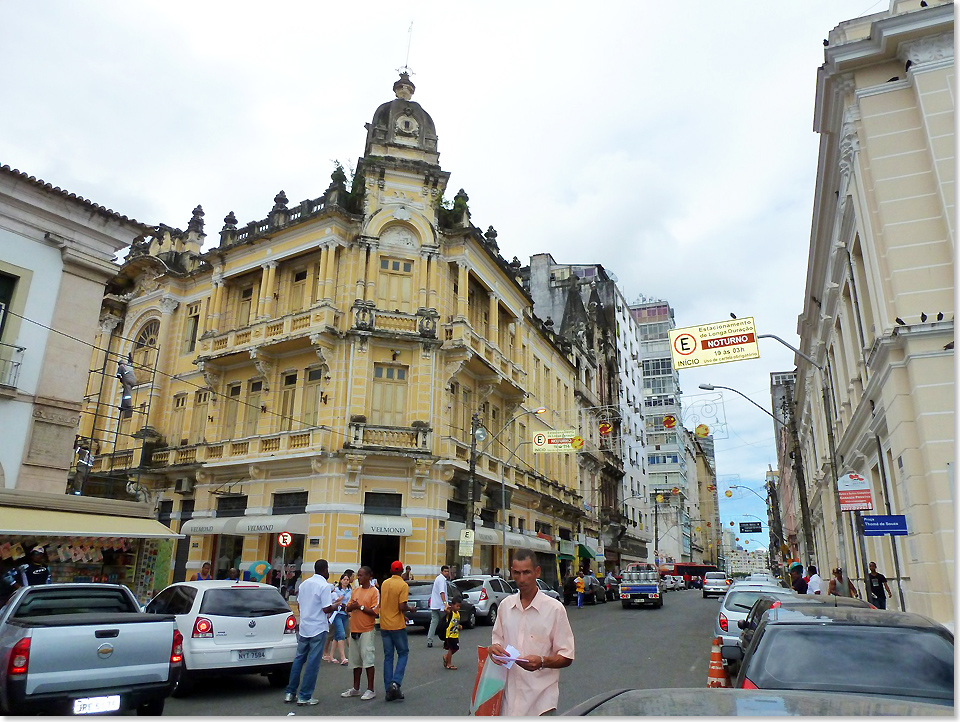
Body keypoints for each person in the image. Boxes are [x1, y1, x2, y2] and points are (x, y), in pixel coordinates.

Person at [489, 548, 574, 716]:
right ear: (512, 572)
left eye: (527, 572)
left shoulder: (554, 609)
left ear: (537, 572)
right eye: (517, 573)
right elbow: (496, 643)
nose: (522, 579)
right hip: (508, 702)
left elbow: (567, 656)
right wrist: (494, 650)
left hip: (541, 704)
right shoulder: (505, 607)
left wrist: (542, 661)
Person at [284, 559, 336, 706]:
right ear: (325, 570)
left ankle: (290, 692)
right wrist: (336, 605)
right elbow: (326, 608)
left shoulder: (304, 584)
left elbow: (300, 605)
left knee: (299, 660)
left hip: (305, 627)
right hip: (318, 628)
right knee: (313, 663)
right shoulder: (324, 586)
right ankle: (305, 695)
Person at [341, 566, 380, 701]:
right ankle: (356, 688)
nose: (359, 578)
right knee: (355, 661)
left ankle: (370, 689)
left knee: (368, 660)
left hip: (367, 630)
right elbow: (348, 607)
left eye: (362, 575)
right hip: (355, 629)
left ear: (369, 577)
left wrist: (360, 607)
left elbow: (375, 611)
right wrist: (351, 607)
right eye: (358, 575)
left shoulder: (374, 591)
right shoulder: (356, 591)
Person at [380, 560, 412, 702]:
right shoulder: (403, 585)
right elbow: (401, 605)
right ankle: (396, 682)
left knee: (388, 657)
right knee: (403, 653)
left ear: (392, 570)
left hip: (384, 624)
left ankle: (389, 689)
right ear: (401, 571)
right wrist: (410, 609)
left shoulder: (385, 583)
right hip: (397, 625)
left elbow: (388, 604)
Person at [324, 572, 353, 664]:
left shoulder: (349, 590)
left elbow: (350, 601)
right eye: (344, 579)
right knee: (341, 633)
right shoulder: (336, 590)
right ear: (341, 580)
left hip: (345, 613)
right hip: (337, 613)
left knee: (337, 636)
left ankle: (331, 656)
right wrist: (341, 598)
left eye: (347, 580)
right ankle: (343, 657)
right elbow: (336, 600)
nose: (346, 581)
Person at [427, 564, 451, 648]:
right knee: (446, 622)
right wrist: (445, 603)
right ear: (441, 572)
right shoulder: (441, 580)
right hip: (440, 606)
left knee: (434, 622)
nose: (447, 573)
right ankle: (446, 639)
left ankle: (430, 640)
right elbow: (442, 592)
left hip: (435, 604)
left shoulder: (438, 578)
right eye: (445, 571)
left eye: (448, 571)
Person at [442, 598, 461, 670]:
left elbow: (456, 623)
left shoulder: (458, 614)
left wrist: (459, 626)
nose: (458, 608)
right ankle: (448, 664)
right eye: (457, 606)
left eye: (459, 606)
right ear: (452, 605)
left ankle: (446, 657)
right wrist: (447, 606)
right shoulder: (450, 613)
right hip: (450, 634)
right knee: (451, 648)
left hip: (455, 634)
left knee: (456, 648)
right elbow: (445, 610)